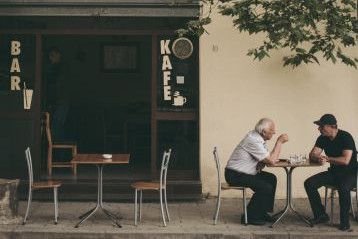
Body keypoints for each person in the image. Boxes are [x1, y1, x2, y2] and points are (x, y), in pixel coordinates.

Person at [225, 118, 289, 225]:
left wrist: (265, 160)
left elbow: (267, 160)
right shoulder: (253, 140)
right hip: (235, 174)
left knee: (271, 179)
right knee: (265, 187)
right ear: (264, 132)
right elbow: (271, 161)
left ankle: (262, 212)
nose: (274, 132)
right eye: (272, 130)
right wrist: (279, 142)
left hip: (244, 172)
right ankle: (250, 216)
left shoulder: (257, 138)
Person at [304, 114, 357, 231]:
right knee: (309, 183)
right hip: (334, 172)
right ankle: (320, 215)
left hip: (350, 173)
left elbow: (345, 160)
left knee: (343, 188)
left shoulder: (345, 137)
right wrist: (317, 158)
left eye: (321, 126)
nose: (319, 129)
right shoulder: (322, 138)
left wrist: (327, 158)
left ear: (331, 126)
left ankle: (345, 222)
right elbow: (312, 154)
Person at [44, 46, 71, 142]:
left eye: (52, 55)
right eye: (49, 56)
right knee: (57, 127)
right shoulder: (57, 68)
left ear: (58, 55)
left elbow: (57, 85)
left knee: (56, 128)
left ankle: (60, 154)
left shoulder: (62, 69)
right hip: (58, 102)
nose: (50, 58)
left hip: (61, 102)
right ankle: (59, 153)